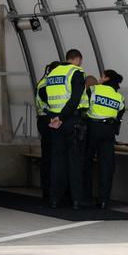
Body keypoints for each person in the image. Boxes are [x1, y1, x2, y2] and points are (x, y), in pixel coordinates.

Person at [42, 49, 87, 209]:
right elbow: (75, 99)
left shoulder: (53, 74)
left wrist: (54, 117)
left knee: (57, 161)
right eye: (81, 61)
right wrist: (62, 118)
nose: (81, 64)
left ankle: (54, 199)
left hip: (54, 121)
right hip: (70, 120)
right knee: (75, 161)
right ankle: (76, 200)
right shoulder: (76, 72)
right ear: (77, 59)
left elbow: (44, 95)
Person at [85, 70, 126, 208]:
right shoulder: (119, 97)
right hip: (109, 132)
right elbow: (119, 116)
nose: (100, 78)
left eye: (102, 76)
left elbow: (83, 107)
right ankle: (103, 200)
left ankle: (85, 198)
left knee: (86, 163)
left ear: (107, 78)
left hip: (92, 129)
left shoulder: (93, 90)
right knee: (106, 167)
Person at [34, 61, 60, 202]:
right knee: (50, 158)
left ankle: (49, 190)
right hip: (48, 120)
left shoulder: (44, 82)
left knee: (48, 157)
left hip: (45, 120)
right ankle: (49, 191)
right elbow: (51, 103)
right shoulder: (47, 85)